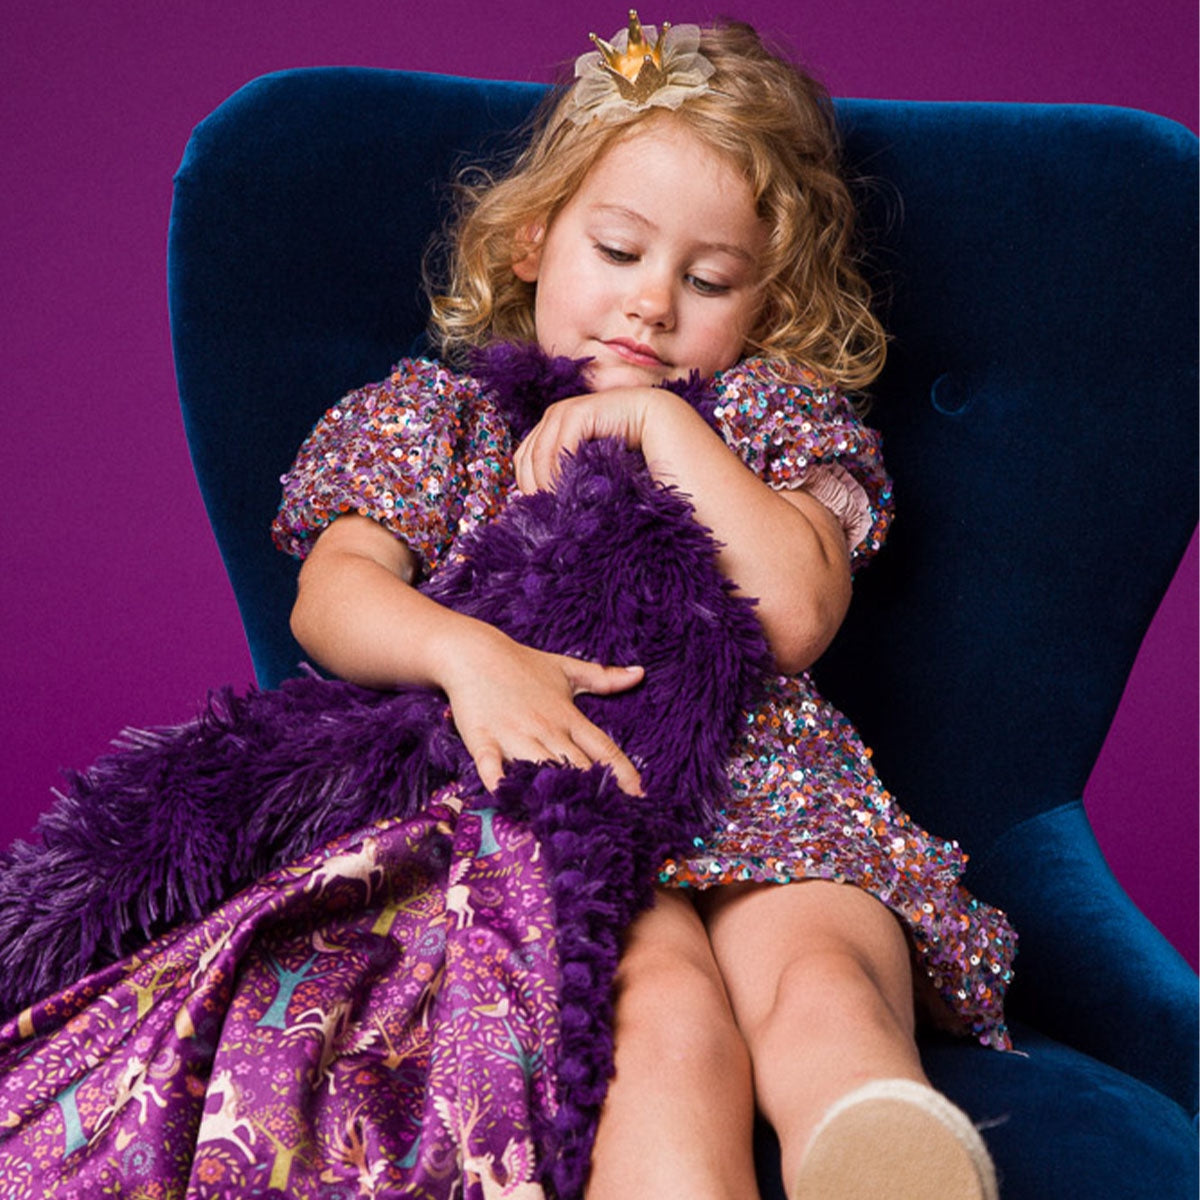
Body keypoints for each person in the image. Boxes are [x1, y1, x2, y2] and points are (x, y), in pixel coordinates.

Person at [0, 14, 1015, 1200]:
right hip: (561, 802)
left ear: (766, 303)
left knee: (822, 985)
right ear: (534, 238)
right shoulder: (441, 417)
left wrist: (659, 423)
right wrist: (470, 656)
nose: (651, 305)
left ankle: (881, 1148)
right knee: (654, 1014)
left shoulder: (772, 424)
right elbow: (334, 597)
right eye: (620, 251)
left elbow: (793, 611)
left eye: (708, 280)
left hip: (775, 797)